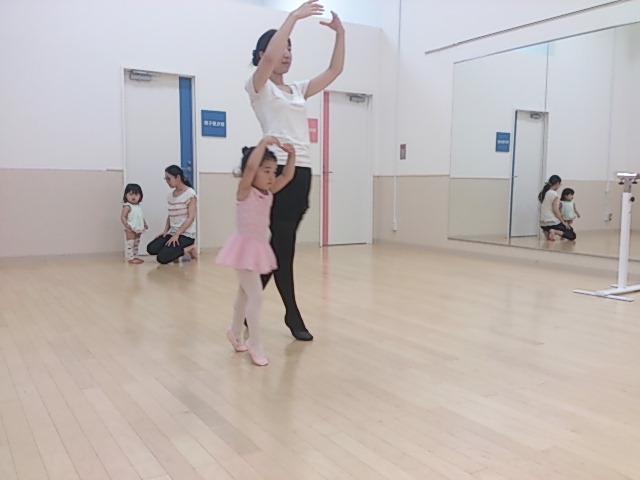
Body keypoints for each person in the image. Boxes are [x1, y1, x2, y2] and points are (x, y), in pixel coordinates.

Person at [247, 0, 345, 341]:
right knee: (283, 246)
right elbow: (269, 62)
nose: (286, 54)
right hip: (274, 173)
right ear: (262, 54)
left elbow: (334, 71)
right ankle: (292, 314)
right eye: (281, 48)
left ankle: (246, 306)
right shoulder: (258, 86)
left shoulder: (298, 89)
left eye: (290, 48)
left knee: (279, 246)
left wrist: (340, 33)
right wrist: (293, 17)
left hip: (301, 171)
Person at [216, 137, 296, 366]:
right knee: (256, 295)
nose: (271, 177)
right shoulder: (245, 191)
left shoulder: (268, 193)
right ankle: (255, 342)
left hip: (258, 247)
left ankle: (234, 331)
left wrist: (292, 156)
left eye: (273, 172)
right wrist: (263, 143)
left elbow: (287, 177)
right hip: (243, 249)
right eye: (266, 171)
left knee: (244, 293)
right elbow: (251, 168)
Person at [146, 165, 198, 264]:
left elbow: (191, 218)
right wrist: (165, 231)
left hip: (186, 235)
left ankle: (190, 248)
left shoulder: (190, 194)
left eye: (168, 179)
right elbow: (171, 215)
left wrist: (177, 234)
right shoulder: (170, 196)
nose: (167, 181)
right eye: (165, 179)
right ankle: (174, 252)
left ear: (178, 177)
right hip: (172, 232)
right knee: (151, 248)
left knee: (162, 258)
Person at [538, 175, 577, 241]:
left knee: (549, 227)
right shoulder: (554, 194)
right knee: (572, 234)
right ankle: (554, 231)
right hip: (552, 222)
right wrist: (563, 222)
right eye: (560, 184)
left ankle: (547, 232)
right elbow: (555, 210)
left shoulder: (543, 193)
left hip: (543, 223)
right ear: (557, 183)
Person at [120, 183, 148, 264]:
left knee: (136, 243)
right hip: (131, 228)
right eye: (131, 194)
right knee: (130, 243)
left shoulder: (138, 206)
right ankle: (130, 257)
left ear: (140, 196)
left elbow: (141, 217)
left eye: (136, 195)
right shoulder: (127, 206)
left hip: (138, 227)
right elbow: (123, 217)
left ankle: (135, 256)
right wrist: (126, 224)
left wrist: (144, 223)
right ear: (126, 195)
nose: (133, 197)